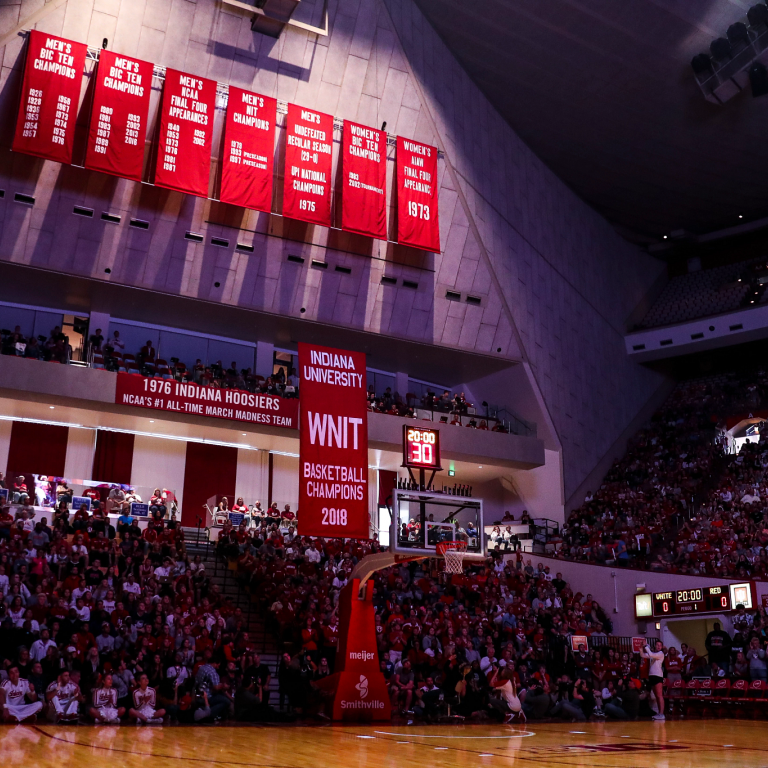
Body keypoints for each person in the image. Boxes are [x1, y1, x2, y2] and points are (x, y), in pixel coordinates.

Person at [640, 640, 666, 720]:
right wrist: (641, 648)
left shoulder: (660, 654)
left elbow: (650, 654)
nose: (658, 646)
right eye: (657, 645)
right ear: (655, 646)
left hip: (658, 676)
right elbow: (643, 655)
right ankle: (659, 713)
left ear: (661, 647)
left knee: (659, 695)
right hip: (652, 676)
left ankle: (662, 713)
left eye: (660, 645)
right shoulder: (654, 654)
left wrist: (646, 646)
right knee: (657, 696)